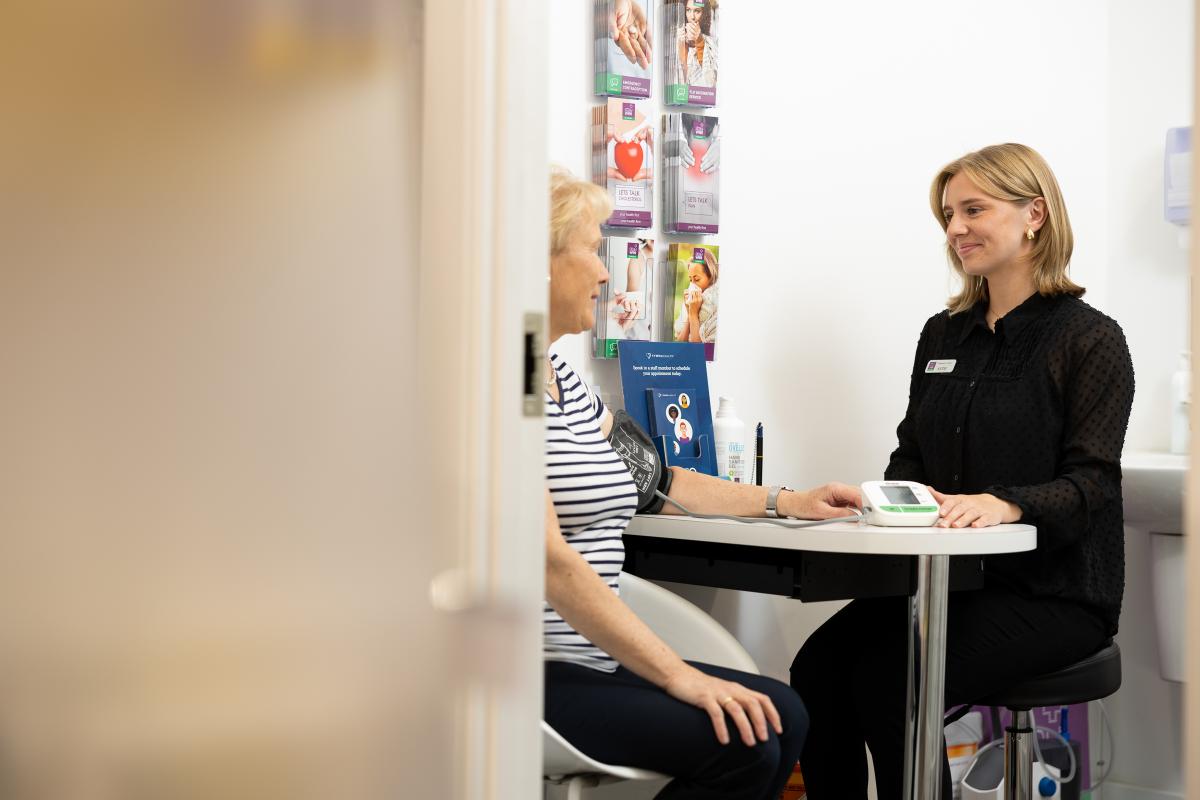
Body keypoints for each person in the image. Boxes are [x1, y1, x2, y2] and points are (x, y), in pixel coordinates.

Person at [790, 143, 1135, 799]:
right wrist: (882, 500)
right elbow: (911, 458)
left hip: (1055, 596)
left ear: (1034, 214)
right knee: (818, 668)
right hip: (950, 584)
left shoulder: (1088, 339)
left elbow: (1092, 485)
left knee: (893, 680)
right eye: (948, 214)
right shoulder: (943, 336)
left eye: (973, 209)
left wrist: (1005, 503)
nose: (955, 229)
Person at [544, 166, 861, 800]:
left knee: (785, 716)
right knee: (745, 741)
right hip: (519, 677)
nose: (606, 272)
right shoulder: (490, 379)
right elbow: (550, 561)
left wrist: (787, 501)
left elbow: (658, 477)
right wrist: (678, 676)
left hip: (590, 662)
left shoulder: (555, 373)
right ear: (539, 259)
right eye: (592, 246)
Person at [673, 249, 718, 344]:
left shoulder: (715, 304)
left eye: (697, 279)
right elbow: (680, 343)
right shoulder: (692, 300)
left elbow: (697, 350)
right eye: (690, 279)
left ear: (711, 276)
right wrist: (690, 311)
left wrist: (694, 314)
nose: (692, 285)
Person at [675, 0, 718, 88]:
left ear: (704, 14)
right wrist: (680, 45)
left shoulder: (710, 42)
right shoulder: (677, 38)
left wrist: (699, 42)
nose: (692, 17)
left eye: (697, 11)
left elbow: (710, 83)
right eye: (688, 10)